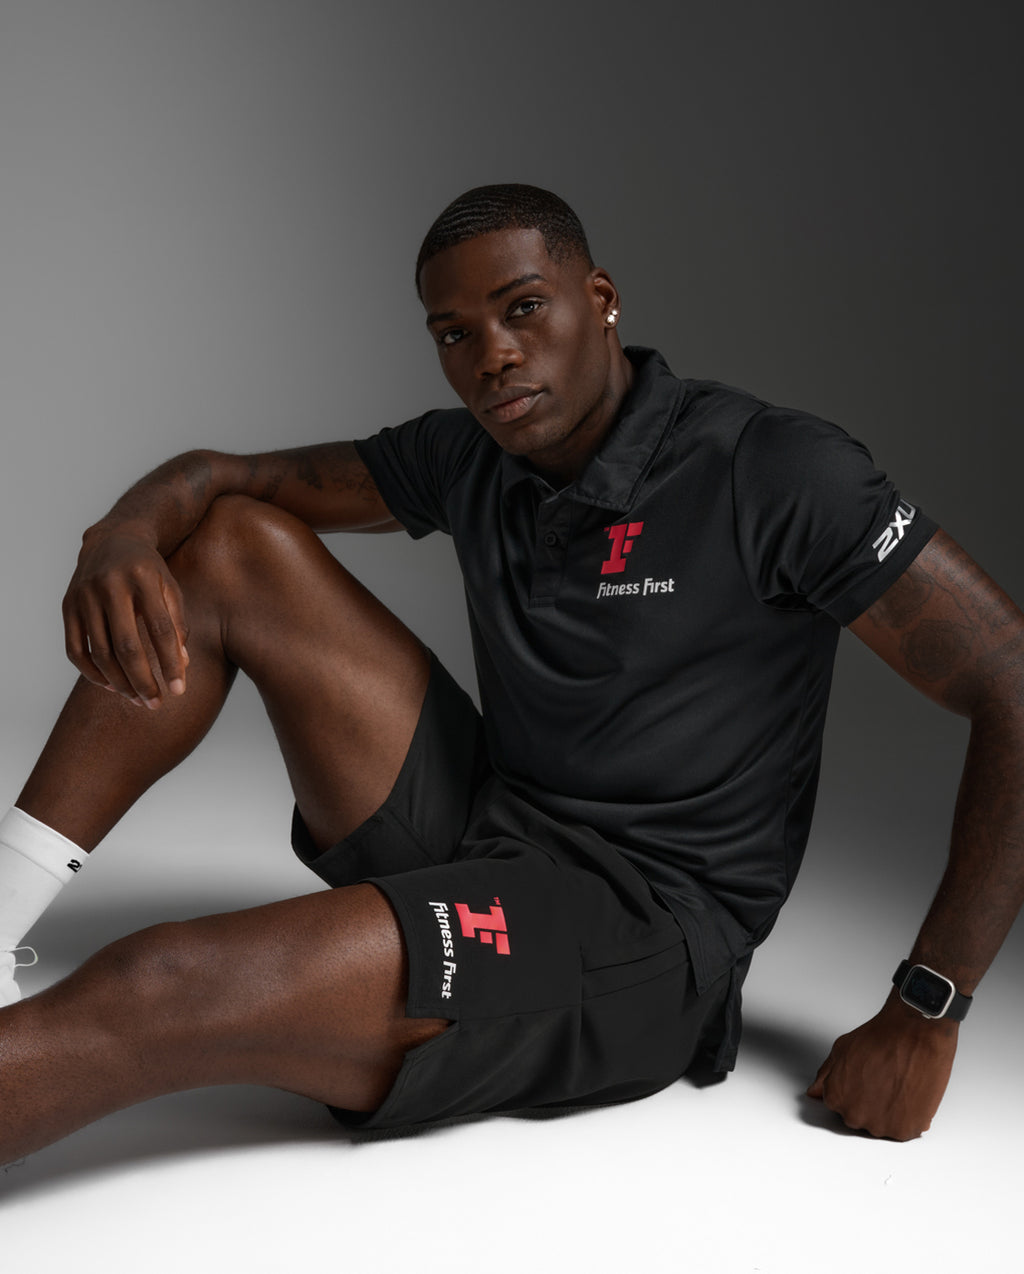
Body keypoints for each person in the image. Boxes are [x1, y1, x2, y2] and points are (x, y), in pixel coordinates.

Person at [1, 184, 1021, 1165]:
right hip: (488, 820)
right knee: (232, 546)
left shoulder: (773, 468)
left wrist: (927, 1008)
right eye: (454, 333)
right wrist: (118, 534)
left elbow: (1013, 682)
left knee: (160, 978)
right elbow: (219, 479)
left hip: (635, 926)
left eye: (522, 308)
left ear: (601, 298)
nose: (491, 355)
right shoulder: (473, 455)